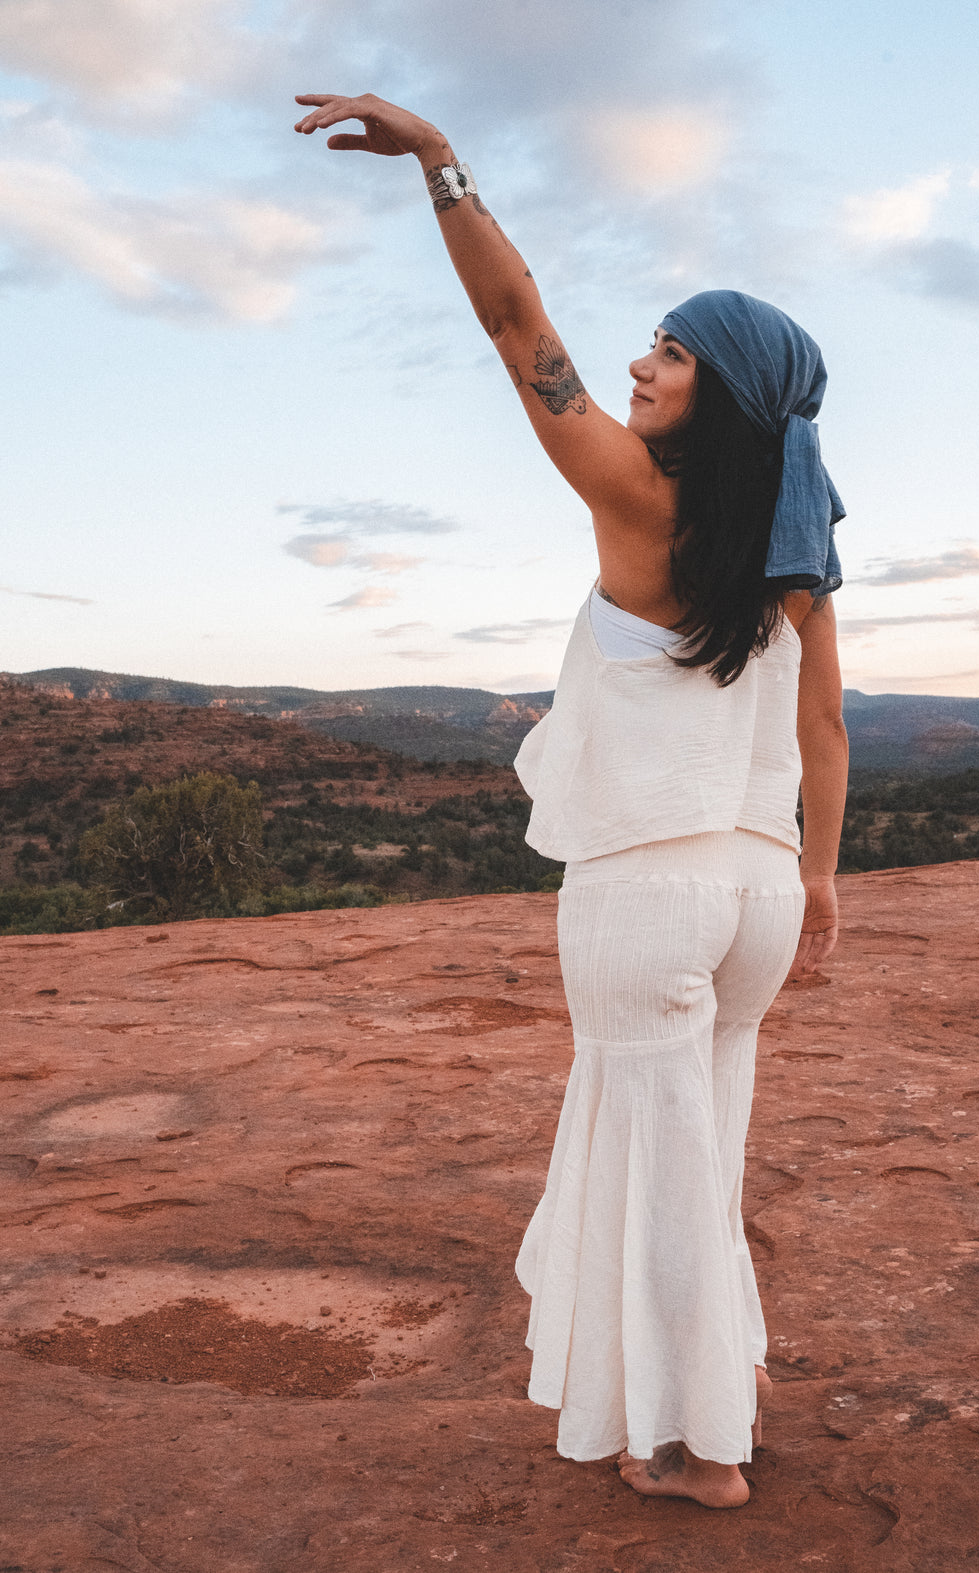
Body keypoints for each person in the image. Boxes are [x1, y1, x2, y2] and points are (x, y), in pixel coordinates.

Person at [295, 92, 848, 1510]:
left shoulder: (631, 496)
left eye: (668, 348)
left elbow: (513, 323)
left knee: (656, 1163)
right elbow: (823, 722)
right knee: (700, 1147)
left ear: (718, 382)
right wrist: (825, 878)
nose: (637, 362)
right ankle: (720, 1373)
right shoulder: (792, 552)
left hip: (647, 895)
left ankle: (695, 1445)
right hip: (759, 893)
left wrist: (439, 159)